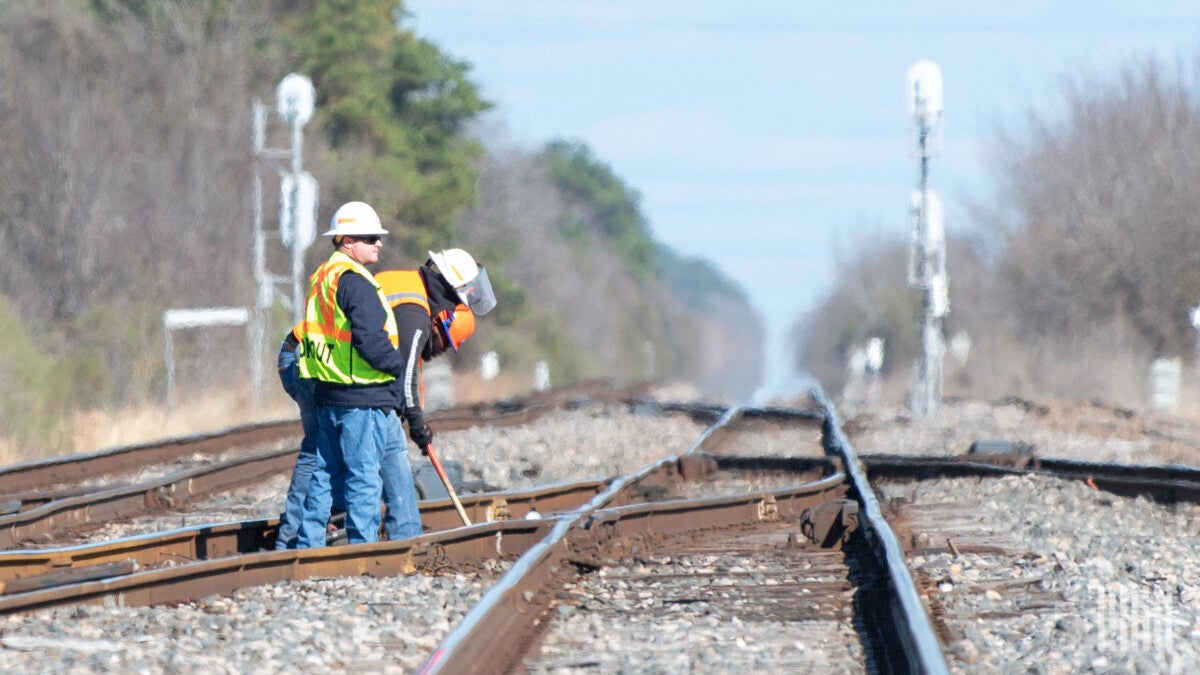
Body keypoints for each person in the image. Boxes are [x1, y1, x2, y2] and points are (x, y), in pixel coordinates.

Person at [294, 201, 413, 547]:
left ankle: (308, 546)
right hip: (361, 396)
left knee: (323, 476)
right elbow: (370, 341)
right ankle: (362, 550)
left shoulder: (323, 276)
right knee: (364, 479)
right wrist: (397, 366)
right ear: (347, 241)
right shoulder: (356, 282)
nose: (379, 243)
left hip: (329, 393)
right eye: (370, 238)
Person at [375, 255, 488, 539]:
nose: (440, 351)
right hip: (353, 390)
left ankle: (405, 535)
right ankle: (399, 537)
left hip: (357, 388)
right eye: (444, 342)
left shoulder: (410, 290)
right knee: (370, 465)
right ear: (441, 322)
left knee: (386, 458)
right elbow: (405, 375)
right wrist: (417, 425)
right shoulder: (416, 315)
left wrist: (412, 417)